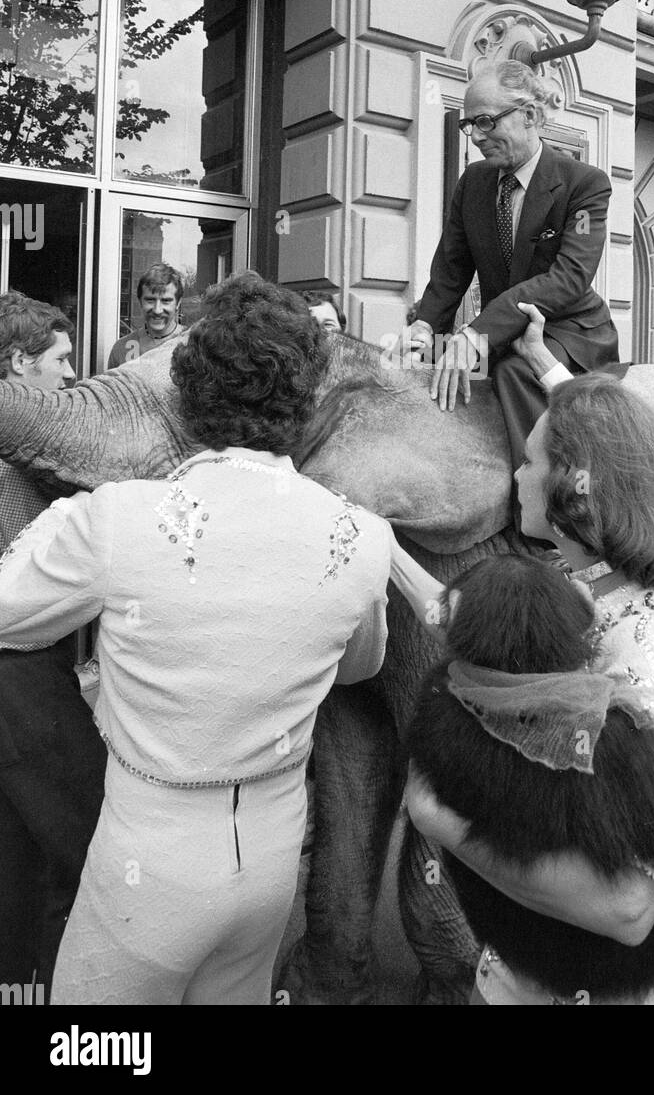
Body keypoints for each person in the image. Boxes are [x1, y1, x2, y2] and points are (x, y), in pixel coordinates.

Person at [0, 273, 393, 1005]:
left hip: (146, 869)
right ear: (306, 402)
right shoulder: (363, 538)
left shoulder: (117, 520)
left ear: (183, 395)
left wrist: (57, 522)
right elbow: (357, 666)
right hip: (271, 858)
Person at [391, 369, 654, 1004]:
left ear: (574, 484)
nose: (516, 475)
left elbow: (629, 906)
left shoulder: (651, 645)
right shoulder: (578, 583)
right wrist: (386, 549)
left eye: (530, 460)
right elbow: (469, 628)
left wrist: (442, 821)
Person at [404, 552, 654, 1006]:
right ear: (583, 631)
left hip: (515, 948)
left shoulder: (438, 703)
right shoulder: (614, 743)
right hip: (622, 972)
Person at [396, 60, 618, 471]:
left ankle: (543, 508)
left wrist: (477, 334)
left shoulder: (585, 184)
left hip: (567, 331)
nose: (477, 137)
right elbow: (451, 269)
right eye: (469, 126)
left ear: (529, 116)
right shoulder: (473, 182)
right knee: (414, 366)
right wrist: (425, 327)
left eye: (486, 122)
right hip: (496, 329)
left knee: (516, 371)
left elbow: (569, 278)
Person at [0, 291, 106, 997]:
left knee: (15, 858)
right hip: (23, 690)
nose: (70, 376)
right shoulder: (10, 470)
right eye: (60, 361)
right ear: (17, 364)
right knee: (82, 846)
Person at [106, 262, 184, 368]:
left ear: (178, 303)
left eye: (166, 301)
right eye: (150, 300)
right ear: (140, 301)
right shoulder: (121, 348)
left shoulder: (193, 345)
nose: (157, 310)